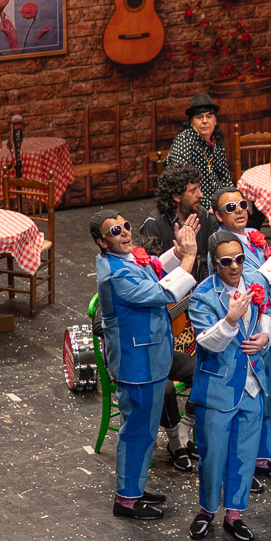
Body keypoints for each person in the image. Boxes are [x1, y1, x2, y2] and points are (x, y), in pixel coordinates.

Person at [93, 210, 199, 519]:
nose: (125, 232)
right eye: (115, 231)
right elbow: (164, 291)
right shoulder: (116, 275)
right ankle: (126, 499)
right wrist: (188, 258)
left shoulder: (124, 260)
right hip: (136, 363)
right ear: (102, 242)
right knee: (137, 432)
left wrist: (176, 254)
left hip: (149, 357)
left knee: (144, 430)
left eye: (125, 226)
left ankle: (134, 488)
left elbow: (152, 267)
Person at [210, 186, 271, 489]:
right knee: (245, 400)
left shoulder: (253, 235)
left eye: (242, 204)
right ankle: (240, 464)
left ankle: (261, 458)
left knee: (269, 395)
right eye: (230, 208)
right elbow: (260, 281)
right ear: (218, 215)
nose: (239, 210)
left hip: (265, 327)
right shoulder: (224, 245)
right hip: (242, 330)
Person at [185, 231, 271, 541]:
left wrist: (265, 335)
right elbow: (206, 342)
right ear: (214, 263)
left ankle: (234, 514)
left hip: (252, 385)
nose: (235, 266)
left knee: (244, 454)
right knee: (213, 455)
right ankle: (207, 511)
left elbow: (267, 312)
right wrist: (230, 320)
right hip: (218, 388)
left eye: (239, 259)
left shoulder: (255, 281)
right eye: (227, 262)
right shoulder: (203, 296)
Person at [133, 164, 220, 472]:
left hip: (196, 307)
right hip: (167, 314)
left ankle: (187, 424)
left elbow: (212, 260)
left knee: (213, 366)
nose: (200, 195)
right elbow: (152, 274)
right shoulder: (154, 225)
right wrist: (182, 256)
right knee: (166, 384)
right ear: (175, 196)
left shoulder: (204, 217)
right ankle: (174, 439)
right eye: (193, 190)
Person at [167, 93, 234, 211]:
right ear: (191, 122)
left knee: (248, 207)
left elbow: (225, 177)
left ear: (215, 120)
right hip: (194, 206)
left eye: (209, 116)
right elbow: (184, 183)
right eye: (199, 117)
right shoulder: (184, 140)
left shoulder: (216, 141)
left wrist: (231, 198)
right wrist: (207, 208)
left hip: (217, 201)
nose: (204, 121)